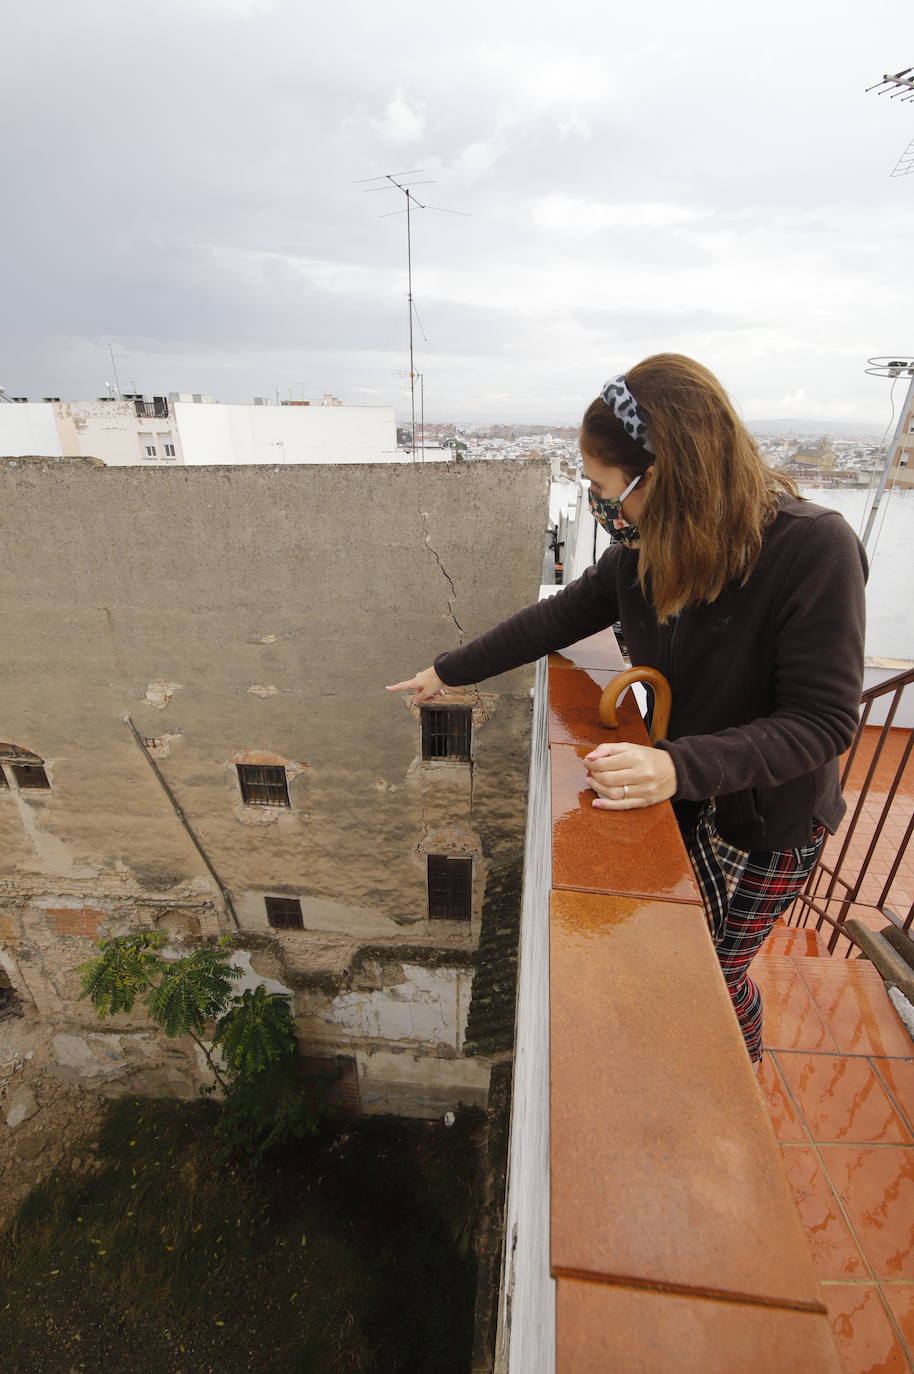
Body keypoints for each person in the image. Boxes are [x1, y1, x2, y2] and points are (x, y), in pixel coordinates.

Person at [387, 353, 868, 1072]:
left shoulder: (810, 550)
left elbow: (823, 722)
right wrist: (446, 672)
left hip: (768, 819)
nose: (600, 506)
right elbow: (558, 618)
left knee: (716, 972)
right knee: (671, 948)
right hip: (682, 793)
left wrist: (676, 764)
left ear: (665, 477)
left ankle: (739, 1078)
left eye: (605, 487)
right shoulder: (646, 552)